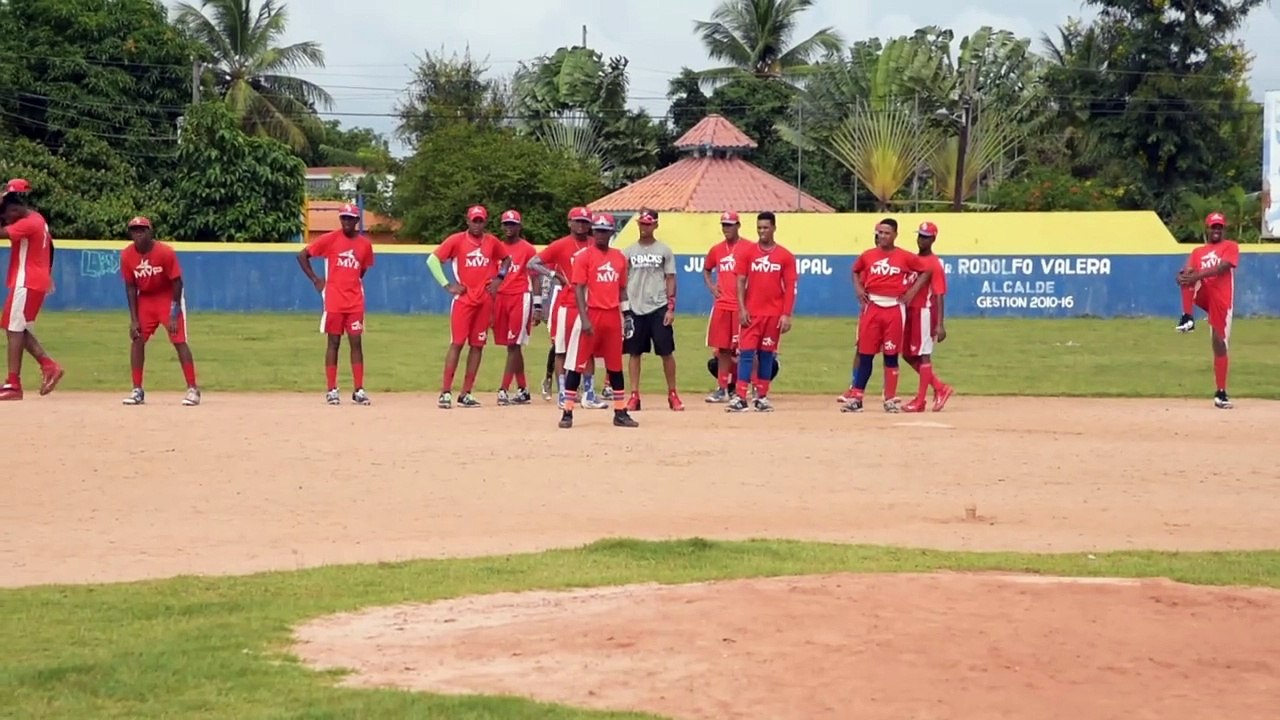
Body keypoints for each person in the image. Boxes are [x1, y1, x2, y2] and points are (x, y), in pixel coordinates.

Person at [840, 218, 933, 413]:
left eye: (887, 233)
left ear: (895, 235)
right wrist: (858, 288)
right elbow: (855, 271)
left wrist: (912, 292)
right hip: (872, 306)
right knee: (865, 354)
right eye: (880, 232)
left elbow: (926, 270)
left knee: (891, 355)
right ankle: (857, 397)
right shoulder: (868, 255)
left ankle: (889, 399)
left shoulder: (905, 257)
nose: (882, 236)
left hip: (894, 308)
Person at [559, 212, 638, 429]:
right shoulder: (584, 256)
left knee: (614, 366)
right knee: (577, 364)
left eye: (605, 231)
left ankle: (620, 411)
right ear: (593, 232)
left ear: (612, 232)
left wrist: (628, 314)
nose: (601, 235)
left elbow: (622, 290)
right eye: (598, 230)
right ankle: (567, 411)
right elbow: (578, 289)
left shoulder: (619, 257)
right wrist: (584, 318)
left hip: (612, 316)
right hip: (591, 314)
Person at [427, 204, 510, 409]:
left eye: (481, 220)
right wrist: (447, 285)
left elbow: (507, 259)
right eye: (474, 220)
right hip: (464, 301)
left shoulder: (491, 242)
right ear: (468, 221)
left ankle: (466, 392)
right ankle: (445, 392)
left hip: (484, 301)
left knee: (478, 345)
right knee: (457, 343)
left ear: (485, 222)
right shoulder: (456, 240)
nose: (477, 224)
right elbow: (432, 260)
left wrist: (499, 278)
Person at [296, 202, 375, 405]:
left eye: (350, 218)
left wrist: (352, 282)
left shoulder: (365, 245)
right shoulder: (330, 239)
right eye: (343, 218)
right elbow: (303, 255)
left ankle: (358, 389)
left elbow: (363, 269)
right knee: (334, 343)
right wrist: (316, 280)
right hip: (334, 301)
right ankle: (332, 389)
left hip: (355, 301)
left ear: (357, 221)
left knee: (356, 343)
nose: (346, 221)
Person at [529, 206, 606, 410]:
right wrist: (556, 276)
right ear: (569, 222)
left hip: (592, 304)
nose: (581, 225)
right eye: (577, 221)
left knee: (589, 350)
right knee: (561, 348)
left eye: (585, 221)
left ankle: (588, 393)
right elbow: (533, 263)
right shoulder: (560, 245)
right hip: (566, 303)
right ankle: (563, 393)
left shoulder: (596, 243)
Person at [119, 217, 201, 406]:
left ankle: (192, 389)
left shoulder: (165, 252)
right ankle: (137, 390)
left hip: (168, 296)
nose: (138, 233)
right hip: (145, 299)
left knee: (179, 339)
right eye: (134, 230)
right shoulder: (127, 256)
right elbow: (130, 287)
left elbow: (177, 282)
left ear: (150, 232)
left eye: (142, 229)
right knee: (137, 338)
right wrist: (134, 319)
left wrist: (174, 313)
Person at [726, 211, 797, 413]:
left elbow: (790, 286)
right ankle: (740, 397)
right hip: (752, 313)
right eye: (759, 228)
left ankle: (762, 396)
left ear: (774, 228)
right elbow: (740, 280)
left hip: (773, 314)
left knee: (767, 355)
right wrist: (741, 308)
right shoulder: (748, 252)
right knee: (746, 354)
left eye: (766, 228)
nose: (762, 231)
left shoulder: (785, 255)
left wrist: (786, 314)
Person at [0, 179, 63, 401]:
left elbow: (2, 234)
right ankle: (48, 365)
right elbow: (51, 247)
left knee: (14, 329)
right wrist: (47, 273)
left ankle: (14, 384)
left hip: (26, 282)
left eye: (6, 216)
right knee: (13, 326)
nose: (5, 220)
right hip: (32, 281)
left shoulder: (26, 223)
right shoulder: (37, 219)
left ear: (15, 210)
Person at [621, 209, 682, 411]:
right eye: (641, 223)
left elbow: (671, 277)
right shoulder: (628, 252)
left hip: (658, 306)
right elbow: (622, 281)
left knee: (666, 352)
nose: (644, 227)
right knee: (634, 353)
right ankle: (634, 395)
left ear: (655, 225)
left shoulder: (664, 250)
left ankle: (672, 393)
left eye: (648, 224)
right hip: (635, 308)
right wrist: (625, 309)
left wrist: (670, 307)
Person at [1176, 212, 1238, 409]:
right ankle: (1187, 318)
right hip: (1205, 294)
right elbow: (1190, 274)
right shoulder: (1198, 252)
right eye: (1214, 226)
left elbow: (1223, 267)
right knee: (1187, 275)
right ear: (1208, 229)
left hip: (1221, 300)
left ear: (1223, 229)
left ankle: (1221, 392)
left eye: (1220, 226)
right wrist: (1183, 277)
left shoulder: (1230, 246)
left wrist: (1196, 276)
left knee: (1218, 343)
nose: (1217, 230)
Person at [900, 221, 954, 412]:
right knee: (907, 354)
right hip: (911, 312)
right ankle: (940, 388)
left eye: (926, 236)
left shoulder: (935, 263)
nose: (921, 239)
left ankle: (920, 400)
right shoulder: (914, 260)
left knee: (923, 355)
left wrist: (939, 324)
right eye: (920, 235)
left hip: (924, 312)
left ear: (933, 239)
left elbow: (939, 294)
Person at [703, 210, 753, 402]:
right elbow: (707, 269)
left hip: (741, 306)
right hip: (722, 304)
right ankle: (722, 387)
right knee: (723, 348)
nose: (727, 229)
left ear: (738, 226)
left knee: (745, 348)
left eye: (730, 225)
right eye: (724, 225)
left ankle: (743, 388)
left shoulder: (749, 247)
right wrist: (711, 286)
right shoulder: (716, 249)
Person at [493, 209, 538, 405]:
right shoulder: (497, 248)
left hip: (520, 296)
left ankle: (503, 388)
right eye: (506, 224)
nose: (509, 228)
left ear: (519, 226)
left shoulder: (527, 249)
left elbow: (535, 278)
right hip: (500, 298)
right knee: (511, 345)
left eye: (513, 224)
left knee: (514, 344)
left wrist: (537, 305)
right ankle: (523, 388)